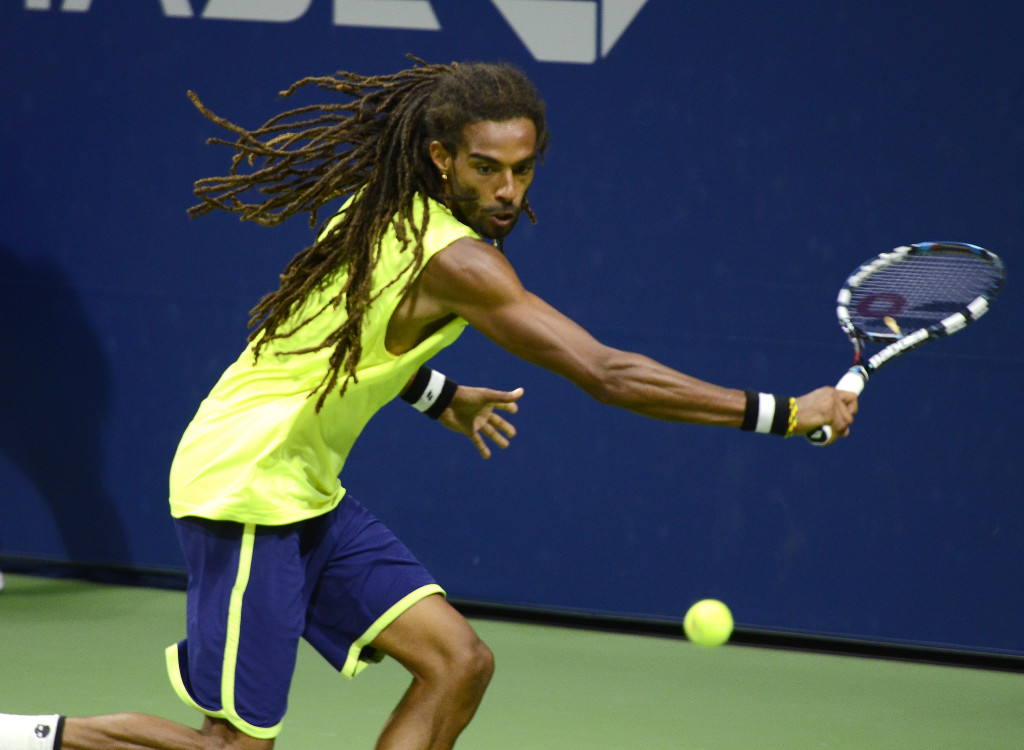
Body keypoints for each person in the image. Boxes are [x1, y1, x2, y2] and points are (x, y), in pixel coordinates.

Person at [1, 58, 857, 750]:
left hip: (299, 485)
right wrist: (787, 411)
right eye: (487, 168)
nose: (508, 192)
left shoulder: (379, 213)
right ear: (442, 157)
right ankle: (28, 736)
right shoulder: (463, 264)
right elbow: (607, 373)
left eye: (523, 170)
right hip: (246, 485)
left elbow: (345, 337)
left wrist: (438, 393)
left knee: (459, 662)